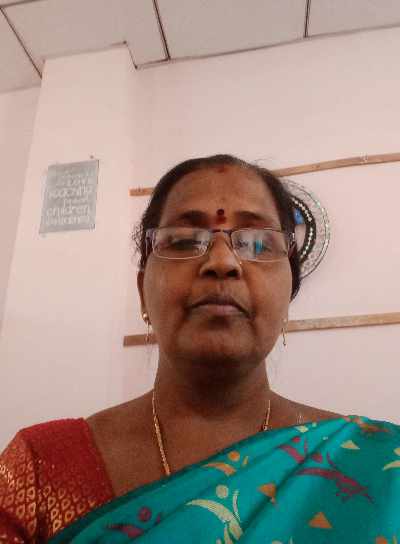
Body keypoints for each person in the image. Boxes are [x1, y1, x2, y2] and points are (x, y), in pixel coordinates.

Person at [1, 154, 399, 543]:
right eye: (183, 240)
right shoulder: (41, 468)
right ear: (142, 292)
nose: (222, 262)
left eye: (258, 243)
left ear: (288, 293)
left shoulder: (373, 465)